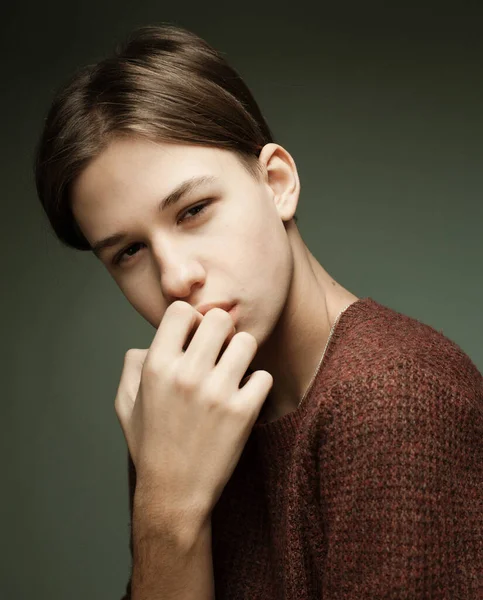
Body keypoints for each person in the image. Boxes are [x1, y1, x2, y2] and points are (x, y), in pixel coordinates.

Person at [34, 23, 482, 600]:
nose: (174, 277)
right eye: (129, 252)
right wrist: (166, 507)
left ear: (277, 183)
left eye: (193, 210)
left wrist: (168, 512)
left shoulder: (394, 398)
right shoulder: (183, 411)